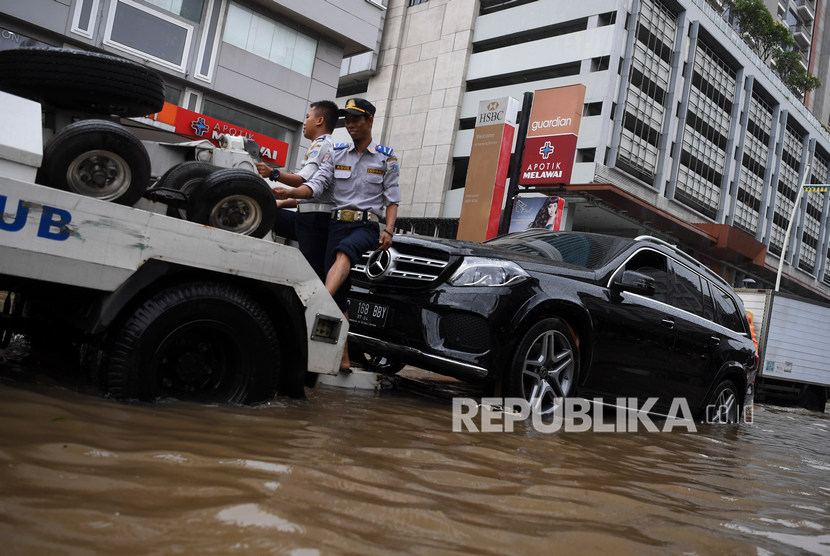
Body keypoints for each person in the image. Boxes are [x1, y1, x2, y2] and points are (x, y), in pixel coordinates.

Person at [273, 98, 400, 370]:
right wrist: (290, 193)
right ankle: (342, 357)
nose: (351, 124)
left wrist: (388, 229)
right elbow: (316, 185)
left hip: (366, 226)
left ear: (370, 121)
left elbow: (392, 199)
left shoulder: (386, 157)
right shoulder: (337, 152)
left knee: (345, 253)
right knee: (341, 292)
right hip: (336, 224)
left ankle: (316, 302)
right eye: (348, 120)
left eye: (356, 119)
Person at [255, 100, 338, 280]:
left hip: (315, 221)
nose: (305, 122)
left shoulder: (322, 145)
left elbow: (303, 181)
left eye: (308, 117)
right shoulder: (320, 144)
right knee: (266, 213)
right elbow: (307, 194)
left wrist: (273, 173)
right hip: (307, 217)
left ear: (319, 121)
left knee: (312, 274)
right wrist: (281, 203)